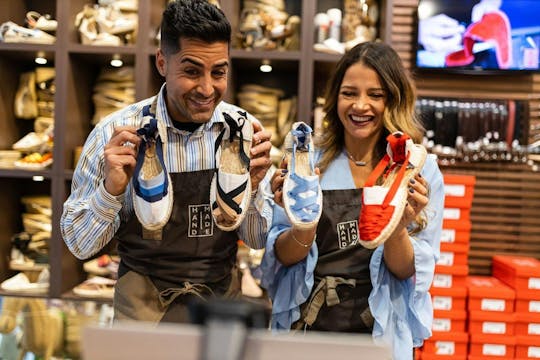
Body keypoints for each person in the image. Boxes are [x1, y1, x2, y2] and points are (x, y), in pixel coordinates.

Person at [61, 0, 273, 324]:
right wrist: (111, 190)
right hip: (140, 313)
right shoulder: (114, 135)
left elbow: (257, 239)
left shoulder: (241, 132)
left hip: (219, 314)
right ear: (162, 62)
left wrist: (254, 189)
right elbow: (79, 245)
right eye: (191, 71)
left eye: (218, 72)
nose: (206, 88)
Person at [260, 41, 444, 359]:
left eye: (375, 94)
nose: (360, 106)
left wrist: (397, 227)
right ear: (335, 98)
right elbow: (282, 257)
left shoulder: (418, 167)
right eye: (349, 93)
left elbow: (407, 272)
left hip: (378, 334)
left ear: (393, 98)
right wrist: (304, 224)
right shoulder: (307, 159)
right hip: (307, 328)